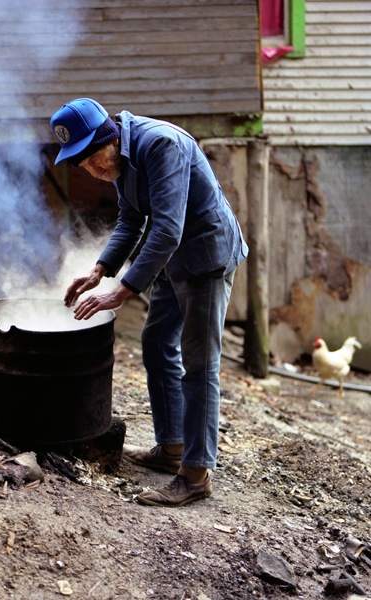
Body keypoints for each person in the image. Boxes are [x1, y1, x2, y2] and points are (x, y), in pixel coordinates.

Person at [50, 98, 248, 507]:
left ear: (107, 136)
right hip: (173, 261)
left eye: (92, 158)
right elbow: (131, 218)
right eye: (82, 165)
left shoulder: (160, 145)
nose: (93, 170)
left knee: (200, 365)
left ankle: (195, 474)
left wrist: (121, 291)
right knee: (157, 343)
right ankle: (172, 447)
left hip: (206, 258)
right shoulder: (120, 157)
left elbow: (168, 230)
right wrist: (100, 270)